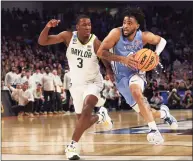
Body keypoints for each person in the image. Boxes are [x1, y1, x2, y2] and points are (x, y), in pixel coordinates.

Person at [97, 7, 178, 145]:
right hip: (120, 78)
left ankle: (154, 131)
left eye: (129, 23)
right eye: (124, 22)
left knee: (136, 90)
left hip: (137, 73)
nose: (126, 26)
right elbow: (100, 52)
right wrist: (120, 61)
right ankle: (164, 113)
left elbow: (162, 41)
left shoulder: (143, 36)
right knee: (149, 113)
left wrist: (155, 56)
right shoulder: (116, 33)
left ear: (137, 25)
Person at [38, 15, 113, 160]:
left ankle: (72, 146)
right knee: (82, 121)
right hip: (76, 84)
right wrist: (47, 27)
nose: (87, 27)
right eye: (84, 25)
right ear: (77, 27)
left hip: (93, 82)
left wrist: (109, 71)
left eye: (89, 25)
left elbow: (104, 56)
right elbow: (42, 41)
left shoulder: (95, 41)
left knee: (87, 109)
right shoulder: (67, 37)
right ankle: (100, 116)